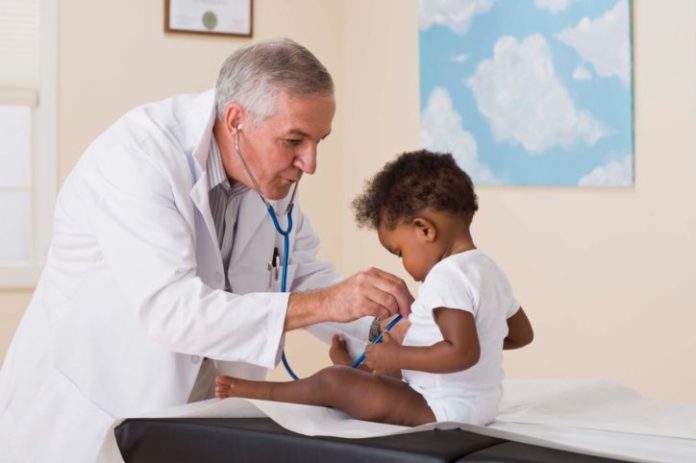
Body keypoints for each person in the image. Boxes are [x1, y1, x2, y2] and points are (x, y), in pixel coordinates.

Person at [0, 39, 412, 462]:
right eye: (294, 141)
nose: (310, 162)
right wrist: (329, 303)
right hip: (90, 410)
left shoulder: (269, 176)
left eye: (319, 141)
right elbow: (174, 311)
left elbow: (298, 271)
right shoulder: (137, 159)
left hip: (196, 405)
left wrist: (387, 327)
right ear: (236, 119)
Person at [215, 150, 534, 427]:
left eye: (399, 252)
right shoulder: (488, 269)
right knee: (376, 371)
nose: (403, 264)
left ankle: (257, 393)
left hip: (442, 407)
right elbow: (521, 335)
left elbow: (462, 352)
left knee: (333, 382)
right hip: (479, 405)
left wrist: (400, 354)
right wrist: (473, 341)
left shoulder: (445, 276)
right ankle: (350, 366)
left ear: (424, 229)